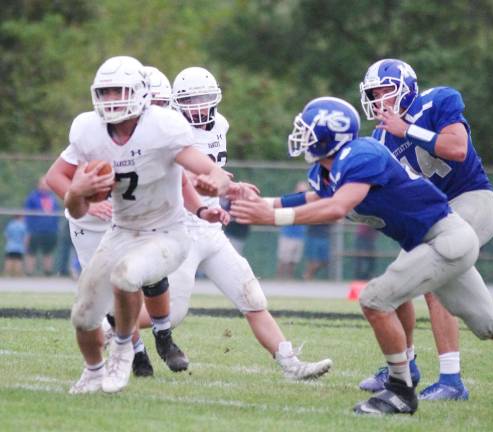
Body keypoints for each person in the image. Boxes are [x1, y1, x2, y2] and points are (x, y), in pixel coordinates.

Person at [230, 96, 493, 415]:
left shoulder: (362, 153)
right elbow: (312, 197)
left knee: (375, 299)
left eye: (308, 129)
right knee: (490, 323)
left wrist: (270, 218)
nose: (301, 135)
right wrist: (259, 202)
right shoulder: (330, 169)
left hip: (446, 237)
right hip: (432, 242)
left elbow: (337, 206)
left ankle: (400, 392)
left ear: (331, 134)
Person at [45, 55, 231, 395]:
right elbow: (73, 204)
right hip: (122, 230)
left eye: (119, 91)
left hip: (167, 231)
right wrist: (79, 193)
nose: (112, 100)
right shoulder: (89, 130)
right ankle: (92, 370)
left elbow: (200, 166)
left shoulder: (162, 125)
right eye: (105, 92)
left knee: (127, 275)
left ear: (140, 93)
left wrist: (217, 182)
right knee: (83, 316)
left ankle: (122, 347)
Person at [166, 66, 332, 380]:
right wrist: (227, 189)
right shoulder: (172, 131)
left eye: (205, 98)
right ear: (177, 102)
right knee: (172, 313)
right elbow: (187, 180)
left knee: (252, 297)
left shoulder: (221, 125)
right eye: (191, 99)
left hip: (212, 230)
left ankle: (290, 364)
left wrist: (234, 186)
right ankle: (113, 332)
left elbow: (214, 174)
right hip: (180, 227)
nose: (199, 106)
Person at [357, 58, 493, 400]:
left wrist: (406, 130)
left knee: (436, 280)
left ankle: (451, 380)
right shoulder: (379, 138)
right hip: (434, 216)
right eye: (373, 95)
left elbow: (457, 148)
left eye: (386, 92)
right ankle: (406, 365)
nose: (379, 102)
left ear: (406, 88)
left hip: (472, 200)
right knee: (398, 279)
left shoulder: (437, 101)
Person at [23, 177, 61, 275]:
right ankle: (29, 274)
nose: (44, 186)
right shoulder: (32, 197)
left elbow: (56, 215)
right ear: (38, 185)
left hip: (50, 231)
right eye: (42, 183)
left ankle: (48, 274)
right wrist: (28, 231)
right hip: (35, 231)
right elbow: (27, 215)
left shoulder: (53, 198)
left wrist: (55, 228)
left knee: (48, 253)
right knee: (31, 253)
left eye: (46, 184)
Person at [276, 181, 307, 279]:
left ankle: (289, 279)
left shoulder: (307, 202)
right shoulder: (290, 200)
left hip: (299, 235)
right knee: (284, 259)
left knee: (293, 260)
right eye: (300, 191)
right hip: (287, 234)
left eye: (304, 192)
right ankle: (279, 279)